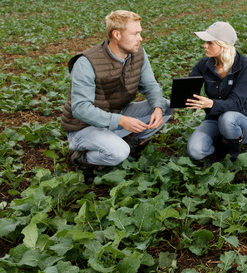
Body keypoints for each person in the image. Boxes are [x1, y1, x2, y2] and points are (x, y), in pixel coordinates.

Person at [61, 10, 173, 182]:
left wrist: (157, 107)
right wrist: (121, 121)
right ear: (117, 34)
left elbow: (151, 86)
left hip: (118, 112)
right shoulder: (86, 62)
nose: (140, 38)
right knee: (118, 152)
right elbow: (80, 109)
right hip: (83, 127)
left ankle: (131, 142)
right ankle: (83, 160)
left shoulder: (138, 54)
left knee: (166, 106)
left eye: (140, 33)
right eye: (135, 34)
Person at [185, 21, 247, 163]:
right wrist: (181, 98)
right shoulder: (203, 64)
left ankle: (233, 156)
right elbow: (188, 89)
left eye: (210, 42)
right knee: (195, 151)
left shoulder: (245, 65)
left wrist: (211, 103)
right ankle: (222, 146)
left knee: (228, 119)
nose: (204, 45)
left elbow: (236, 102)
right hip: (214, 119)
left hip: (243, 120)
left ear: (223, 45)